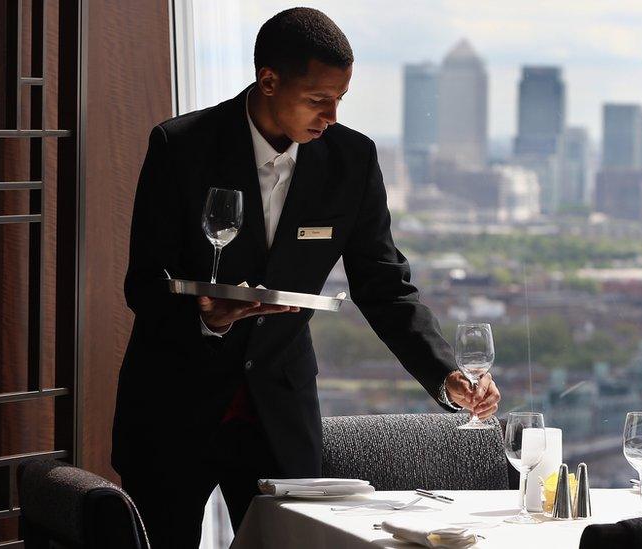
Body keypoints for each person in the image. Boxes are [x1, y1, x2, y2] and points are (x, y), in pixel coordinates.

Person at [112, 7, 501, 547]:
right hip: (173, 406)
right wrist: (210, 321)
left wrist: (445, 376)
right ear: (268, 82)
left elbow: (384, 284)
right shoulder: (182, 147)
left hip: (278, 413)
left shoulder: (352, 160)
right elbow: (143, 282)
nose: (332, 115)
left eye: (341, 98)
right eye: (319, 100)